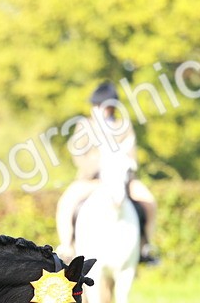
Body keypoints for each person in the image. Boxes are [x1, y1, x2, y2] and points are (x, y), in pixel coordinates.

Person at [56, 81, 158, 264]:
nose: (100, 110)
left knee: (149, 201)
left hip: (121, 179)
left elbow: (131, 155)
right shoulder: (84, 125)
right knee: (66, 202)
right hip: (92, 180)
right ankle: (66, 246)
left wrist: (120, 167)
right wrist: (98, 166)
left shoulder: (124, 126)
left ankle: (146, 246)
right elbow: (78, 153)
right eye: (97, 106)